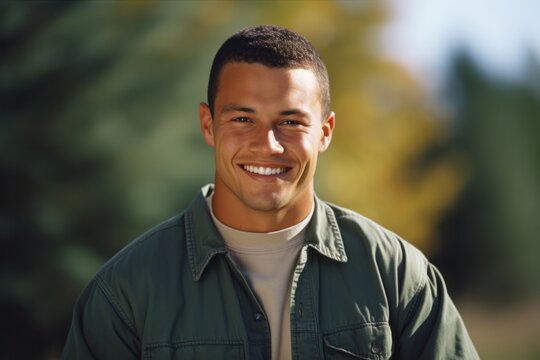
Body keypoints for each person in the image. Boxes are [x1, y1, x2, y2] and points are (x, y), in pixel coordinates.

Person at [62, 25, 478, 359]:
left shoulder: (398, 275)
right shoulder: (126, 292)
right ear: (208, 125)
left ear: (325, 132)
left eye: (291, 122)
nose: (269, 145)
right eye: (243, 119)